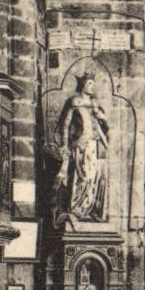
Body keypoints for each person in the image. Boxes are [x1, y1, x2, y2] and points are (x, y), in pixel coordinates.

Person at [55, 68, 109, 222]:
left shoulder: (94, 104)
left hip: (93, 145)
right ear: (83, 85)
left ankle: (88, 208)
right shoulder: (75, 101)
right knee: (83, 176)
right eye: (89, 83)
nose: (92, 86)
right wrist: (64, 145)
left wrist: (106, 143)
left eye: (93, 84)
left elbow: (98, 125)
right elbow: (65, 125)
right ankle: (76, 207)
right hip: (81, 145)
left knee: (93, 177)